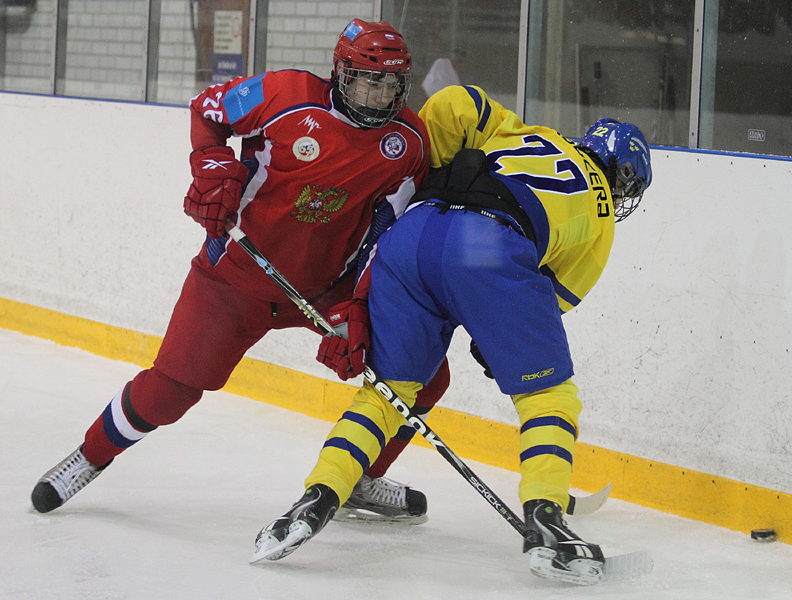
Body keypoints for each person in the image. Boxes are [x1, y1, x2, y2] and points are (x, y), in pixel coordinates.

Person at [30, 19, 451, 524]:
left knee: (424, 374)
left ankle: (360, 477)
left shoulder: (407, 143)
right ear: (340, 72)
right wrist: (209, 164)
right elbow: (207, 109)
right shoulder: (284, 95)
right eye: (366, 80)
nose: (378, 96)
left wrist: (355, 306)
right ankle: (89, 456)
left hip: (326, 287)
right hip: (233, 276)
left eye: (390, 86)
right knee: (171, 390)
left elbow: (389, 232)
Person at [250, 85, 653, 585]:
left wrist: (432, 167)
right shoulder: (600, 212)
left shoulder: (536, 134)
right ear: (621, 176)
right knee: (547, 393)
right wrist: (495, 334)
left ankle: (318, 496)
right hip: (486, 246)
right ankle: (547, 519)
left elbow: (458, 102)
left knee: (387, 394)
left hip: (412, 234)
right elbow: (548, 301)